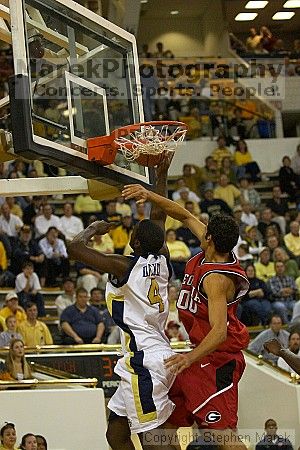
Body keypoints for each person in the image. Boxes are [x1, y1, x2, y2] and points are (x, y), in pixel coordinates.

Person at [122, 183, 250, 446]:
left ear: (210, 238)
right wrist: (149, 196)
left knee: (222, 435)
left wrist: (188, 358)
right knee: (166, 425)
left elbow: (219, 332)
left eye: (206, 231)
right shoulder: (213, 248)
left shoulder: (216, 279)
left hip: (217, 360)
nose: (200, 230)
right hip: (197, 357)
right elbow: (183, 214)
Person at [69, 155, 179, 450]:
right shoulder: (163, 259)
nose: (131, 235)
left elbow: (74, 248)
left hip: (142, 360)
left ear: (138, 244)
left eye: (133, 234)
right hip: (158, 353)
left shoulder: (124, 266)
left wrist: (93, 229)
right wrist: (162, 174)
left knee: (153, 440)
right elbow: (159, 215)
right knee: (116, 434)